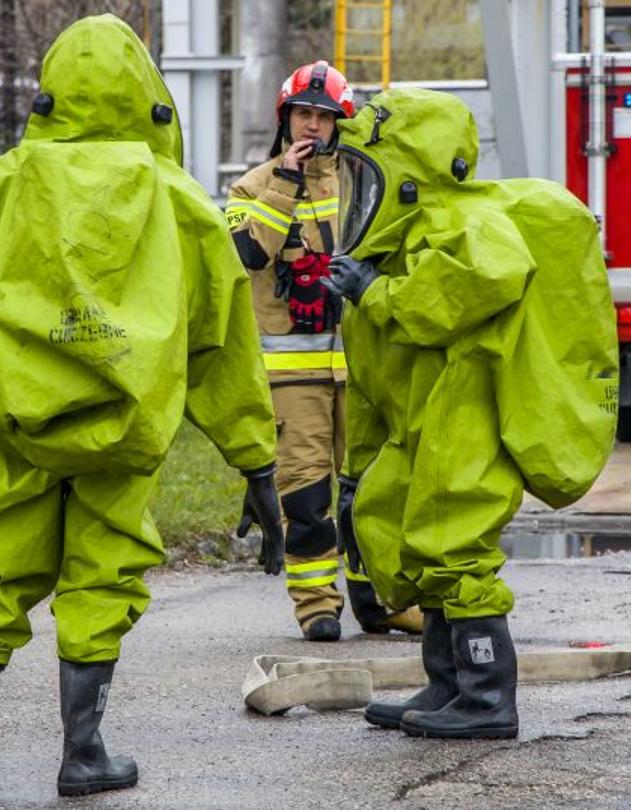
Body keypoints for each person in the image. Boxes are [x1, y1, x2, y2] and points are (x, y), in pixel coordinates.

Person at [0, 14, 286, 798]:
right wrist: (253, 459)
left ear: (50, 95)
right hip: (125, 429)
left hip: (16, 423)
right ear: (151, 98)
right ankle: (82, 753)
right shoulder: (181, 204)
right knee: (102, 577)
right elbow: (221, 343)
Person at [321, 87, 618, 739]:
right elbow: (376, 370)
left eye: (367, 175)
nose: (356, 193)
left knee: (453, 544)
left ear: (406, 173)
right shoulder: (394, 244)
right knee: (413, 536)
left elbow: (488, 276)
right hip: (419, 420)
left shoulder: (461, 222)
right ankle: (447, 683)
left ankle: (487, 697)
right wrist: (357, 467)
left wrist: (380, 292)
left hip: (466, 417)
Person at [224, 60, 422, 641]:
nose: (313, 126)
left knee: (370, 492)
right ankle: (316, 605)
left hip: (362, 370)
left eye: (324, 117)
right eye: (303, 114)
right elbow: (247, 256)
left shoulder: (366, 180)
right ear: (285, 119)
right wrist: (285, 182)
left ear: (341, 124)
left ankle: (379, 600)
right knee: (308, 494)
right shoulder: (252, 187)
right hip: (293, 374)